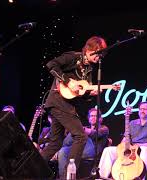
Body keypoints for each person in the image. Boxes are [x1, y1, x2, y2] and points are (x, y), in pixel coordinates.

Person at [40, 36, 108, 176]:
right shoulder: (73, 57)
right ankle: (69, 176)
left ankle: (29, 169)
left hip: (66, 105)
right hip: (58, 102)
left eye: (102, 54)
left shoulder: (89, 69)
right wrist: (67, 81)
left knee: (55, 143)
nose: (99, 57)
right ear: (90, 50)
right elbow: (51, 64)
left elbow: (80, 93)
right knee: (80, 136)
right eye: (98, 53)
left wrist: (91, 94)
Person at [98, 101, 147, 179]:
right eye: (140, 109)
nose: (142, 111)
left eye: (145, 109)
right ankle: (102, 177)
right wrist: (122, 147)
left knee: (144, 150)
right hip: (131, 149)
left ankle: (140, 177)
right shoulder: (132, 123)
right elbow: (124, 140)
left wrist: (139, 145)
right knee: (108, 150)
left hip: (146, 150)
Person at [57, 108, 110, 178]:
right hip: (80, 148)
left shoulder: (104, 128)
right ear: (89, 118)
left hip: (93, 151)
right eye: (91, 116)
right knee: (63, 151)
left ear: (100, 119)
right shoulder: (84, 128)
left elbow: (93, 133)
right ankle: (64, 177)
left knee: (80, 133)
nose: (93, 118)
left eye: (95, 116)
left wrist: (78, 129)